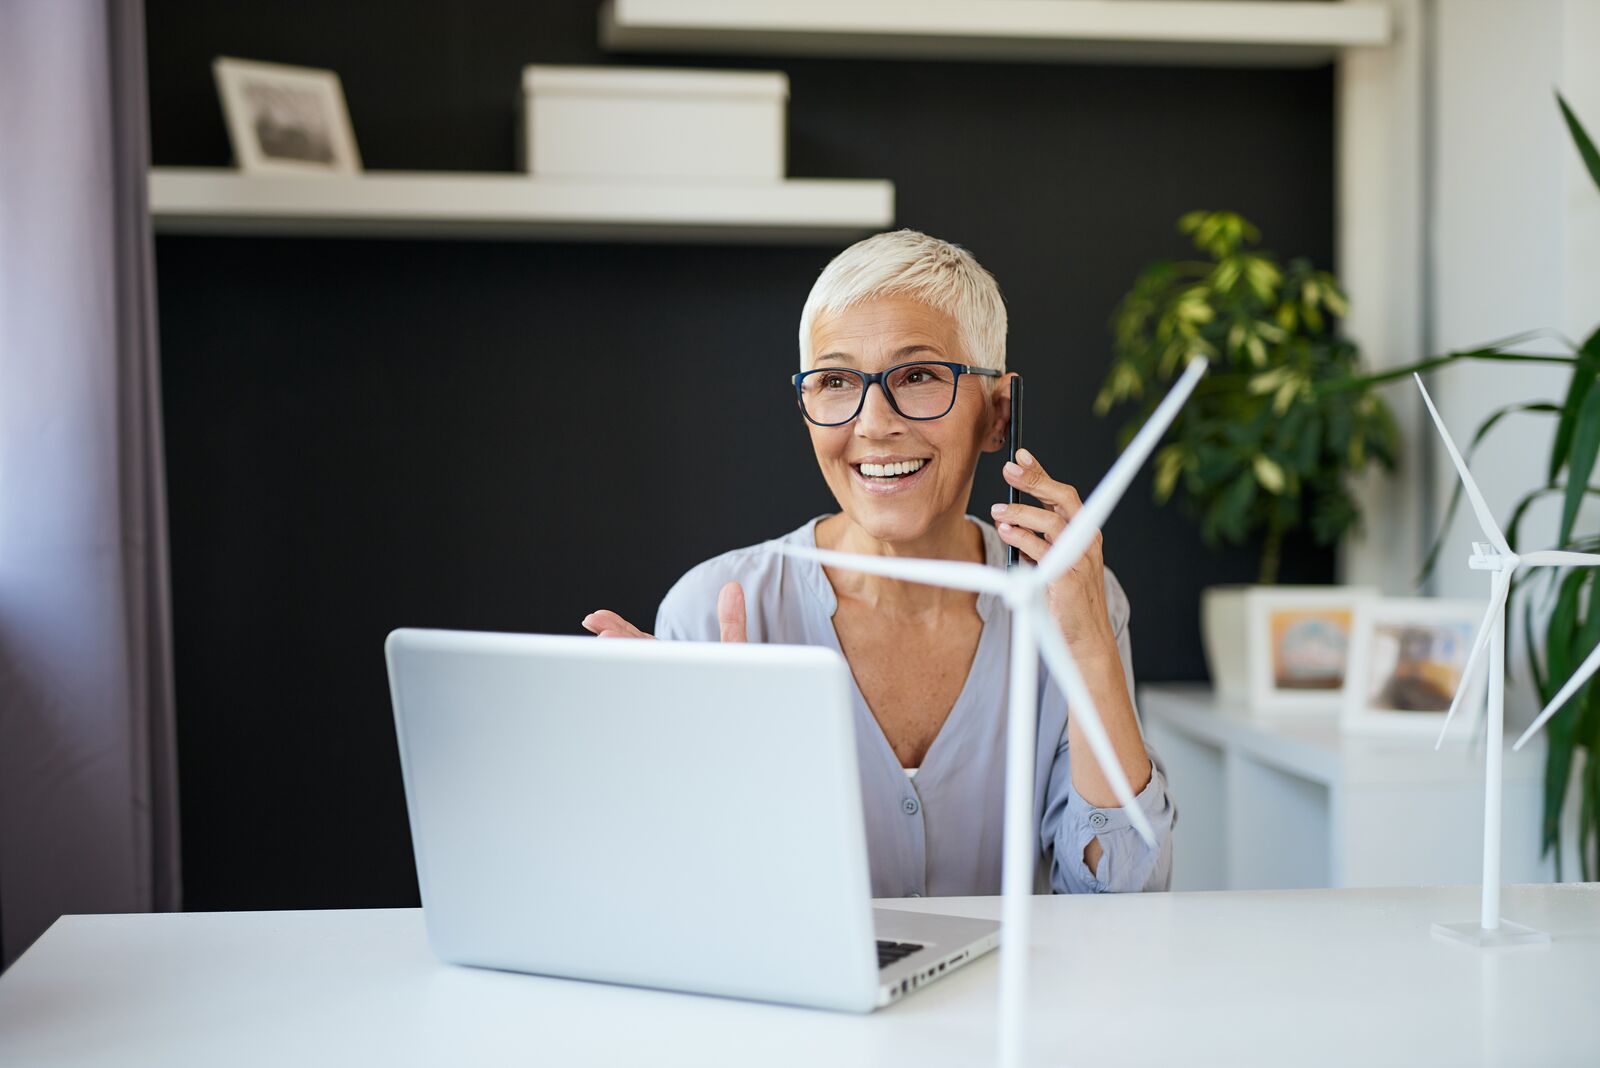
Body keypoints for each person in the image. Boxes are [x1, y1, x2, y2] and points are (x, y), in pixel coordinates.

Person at [583, 229, 1174, 896]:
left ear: (997, 414)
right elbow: (679, 903)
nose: (873, 423)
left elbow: (1124, 897)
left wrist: (1090, 647)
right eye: (835, 382)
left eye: (918, 376)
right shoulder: (716, 604)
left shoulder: (1073, 599)